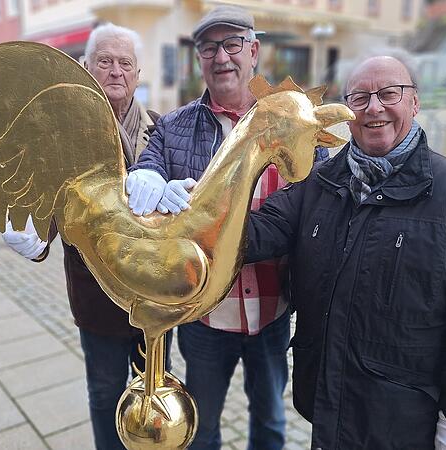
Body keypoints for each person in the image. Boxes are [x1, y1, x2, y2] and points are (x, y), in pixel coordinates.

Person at [243, 54, 446, 449]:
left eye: (389, 93)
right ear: (346, 110)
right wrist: (201, 201)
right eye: (359, 98)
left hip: (407, 424)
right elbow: (254, 235)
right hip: (328, 410)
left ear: (414, 102)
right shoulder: (318, 184)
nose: (374, 107)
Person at [127, 6, 304, 449]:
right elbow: (148, 166)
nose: (221, 57)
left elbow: (309, 195)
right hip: (204, 318)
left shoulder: (285, 120)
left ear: (254, 52)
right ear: (198, 59)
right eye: (209, 48)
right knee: (201, 429)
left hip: (272, 310)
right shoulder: (173, 127)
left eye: (232, 45)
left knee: (270, 423)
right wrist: (144, 177)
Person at [0, 23, 164, 450]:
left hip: (154, 294)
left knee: (153, 393)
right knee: (106, 393)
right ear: (85, 68)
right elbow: (50, 198)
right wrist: (37, 238)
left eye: (124, 63)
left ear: (138, 73)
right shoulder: (64, 135)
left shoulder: (161, 128)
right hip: (99, 296)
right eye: (104, 62)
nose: (115, 71)